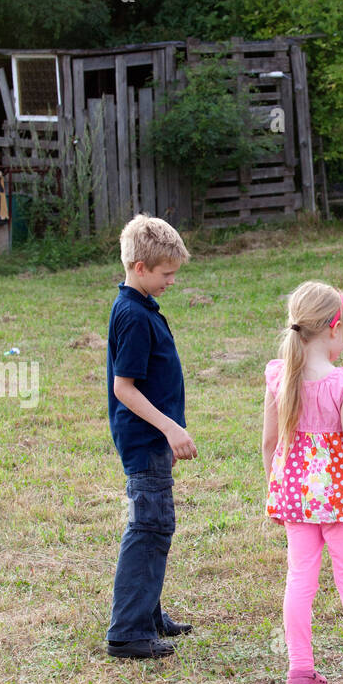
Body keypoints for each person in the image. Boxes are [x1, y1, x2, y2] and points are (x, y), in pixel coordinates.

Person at [262, 281, 343, 684]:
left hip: (297, 499)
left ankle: (299, 668)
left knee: (299, 578)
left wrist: (277, 489)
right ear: (334, 328)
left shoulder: (279, 376)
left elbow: (269, 443)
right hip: (340, 499)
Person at [106, 214, 197, 660]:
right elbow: (125, 388)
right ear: (140, 267)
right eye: (166, 274)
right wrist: (169, 428)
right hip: (144, 439)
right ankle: (127, 632)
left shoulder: (139, 306)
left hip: (152, 440)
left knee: (156, 521)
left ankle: (148, 614)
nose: (172, 281)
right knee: (149, 525)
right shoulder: (133, 316)